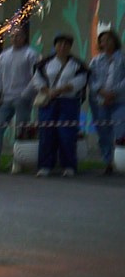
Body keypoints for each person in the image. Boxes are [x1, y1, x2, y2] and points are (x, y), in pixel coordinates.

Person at [0, 23, 38, 173]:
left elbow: (35, 76)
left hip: (22, 98)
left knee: (21, 131)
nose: (15, 38)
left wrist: (26, 94)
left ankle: (18, 161)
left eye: (18, 36)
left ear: (24, 38)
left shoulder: (30, 54)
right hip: (5, 98)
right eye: (12, 36)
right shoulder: (4, 55)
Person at [33, 33, 87, 176]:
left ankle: (68, 166)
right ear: (55, 46)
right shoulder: (44, 63)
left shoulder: (77, 64)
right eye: (60, 44)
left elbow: (80, 81)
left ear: (70, 47)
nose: (63, 47)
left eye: (66, 44)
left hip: (69, 102)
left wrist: (61, 90)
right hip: (48, 102)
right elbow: (37, 80)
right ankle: (45, 166)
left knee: (67, 134)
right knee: (46, 133)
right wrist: (48, 91)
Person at [90, 29, 123, 175]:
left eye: (109, 39)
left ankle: (120, 160)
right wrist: (102, 92)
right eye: (103, 40)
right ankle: (108, 162)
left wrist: (114, 92)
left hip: (120, 100)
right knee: (104, 132)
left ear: (115, 41)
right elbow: (91, 79)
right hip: (100, 101)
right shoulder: (96, 61)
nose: (106, 42)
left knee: (120, 130)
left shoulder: (122, 59)